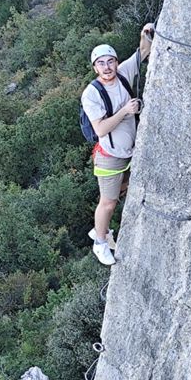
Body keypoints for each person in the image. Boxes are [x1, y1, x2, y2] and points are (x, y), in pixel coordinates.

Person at [81, 24, 154, 265]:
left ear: (116, 61)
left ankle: (98, 230)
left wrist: (146, 33)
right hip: (109, 155)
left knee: (125, 189)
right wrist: (125, 110)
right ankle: (100, 242)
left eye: (110, 61)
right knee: (109, 202)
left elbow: (143, 52)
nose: (107, 67)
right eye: (101, 63)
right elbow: (100, 129)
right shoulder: (92, 93)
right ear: (95, 67)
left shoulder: (123, 73)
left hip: (129, 152)